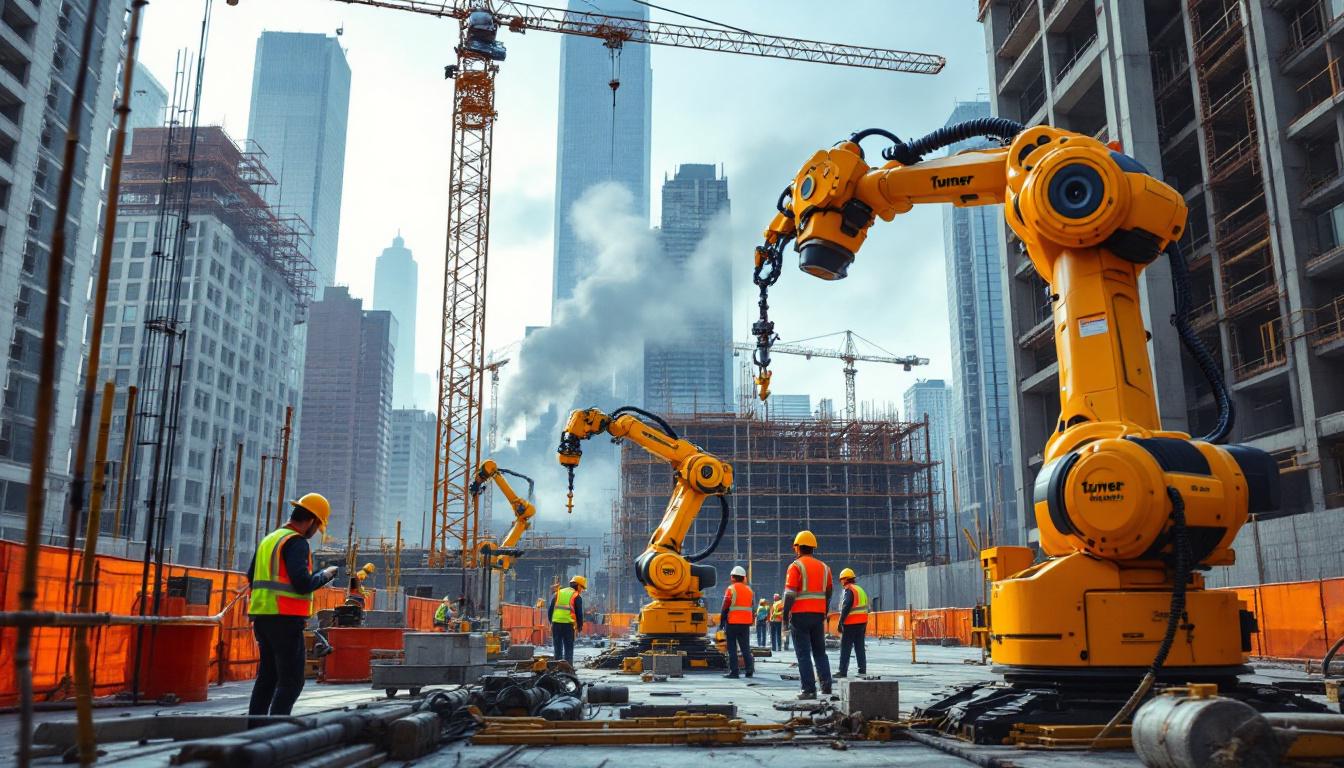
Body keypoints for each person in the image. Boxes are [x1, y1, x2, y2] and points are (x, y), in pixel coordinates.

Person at [246, 492, 338, 722]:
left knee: (267, 678)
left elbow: (251, 575)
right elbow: (302, 583)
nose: (315, 532)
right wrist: (324, 575)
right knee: (292, 681)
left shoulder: (270, 539)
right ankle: (277, 729)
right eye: (317, 527)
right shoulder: (296, 542)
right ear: (311, 521)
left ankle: (254, 728)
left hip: (262, 618)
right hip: (285, 619)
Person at [782, 529, 833, 700]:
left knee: (803, 653)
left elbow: (789, 594)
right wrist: (824, 611)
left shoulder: (795, 566)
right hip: (818, 616)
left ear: (797, 548)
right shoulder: (825, 568)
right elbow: (828, 592)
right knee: (820, 652)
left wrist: (784, 615)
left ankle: (809, 690)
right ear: (813, 548)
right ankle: (826, 686)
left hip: (800, 616)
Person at [718, 565, 755, 679]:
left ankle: (734, 672)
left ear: (733, 577)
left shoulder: (731, 588)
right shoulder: (749, 590)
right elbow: (752, 606)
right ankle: (749, 670)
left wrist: (722, 621)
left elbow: (725, 606)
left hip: (733, 623)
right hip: (745, 624)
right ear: (743, 577)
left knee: (732, 648)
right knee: (745, 648)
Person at [836, 568, 869, 678]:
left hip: (851, 624)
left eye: (841, 580)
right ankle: (862, 670)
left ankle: (842, 671)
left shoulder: (849, 589)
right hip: (862, 623)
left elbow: (846, 606)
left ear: (845, 579)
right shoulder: (860, 589)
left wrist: (840, 622)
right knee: (859, 647)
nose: (841, 582)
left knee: (845, 647)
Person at [548, 575, 586, 664]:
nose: (582, 590)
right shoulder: (576, 596)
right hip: (568, 626)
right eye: (582, 588)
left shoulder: (558, 593)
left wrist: (551, 622)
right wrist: (580, 626)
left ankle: (557, 669)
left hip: (556, 624)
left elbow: (550, 610)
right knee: (568, 648)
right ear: (578, 586)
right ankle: (568, 669)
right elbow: (579, 614)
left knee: (557, 649)